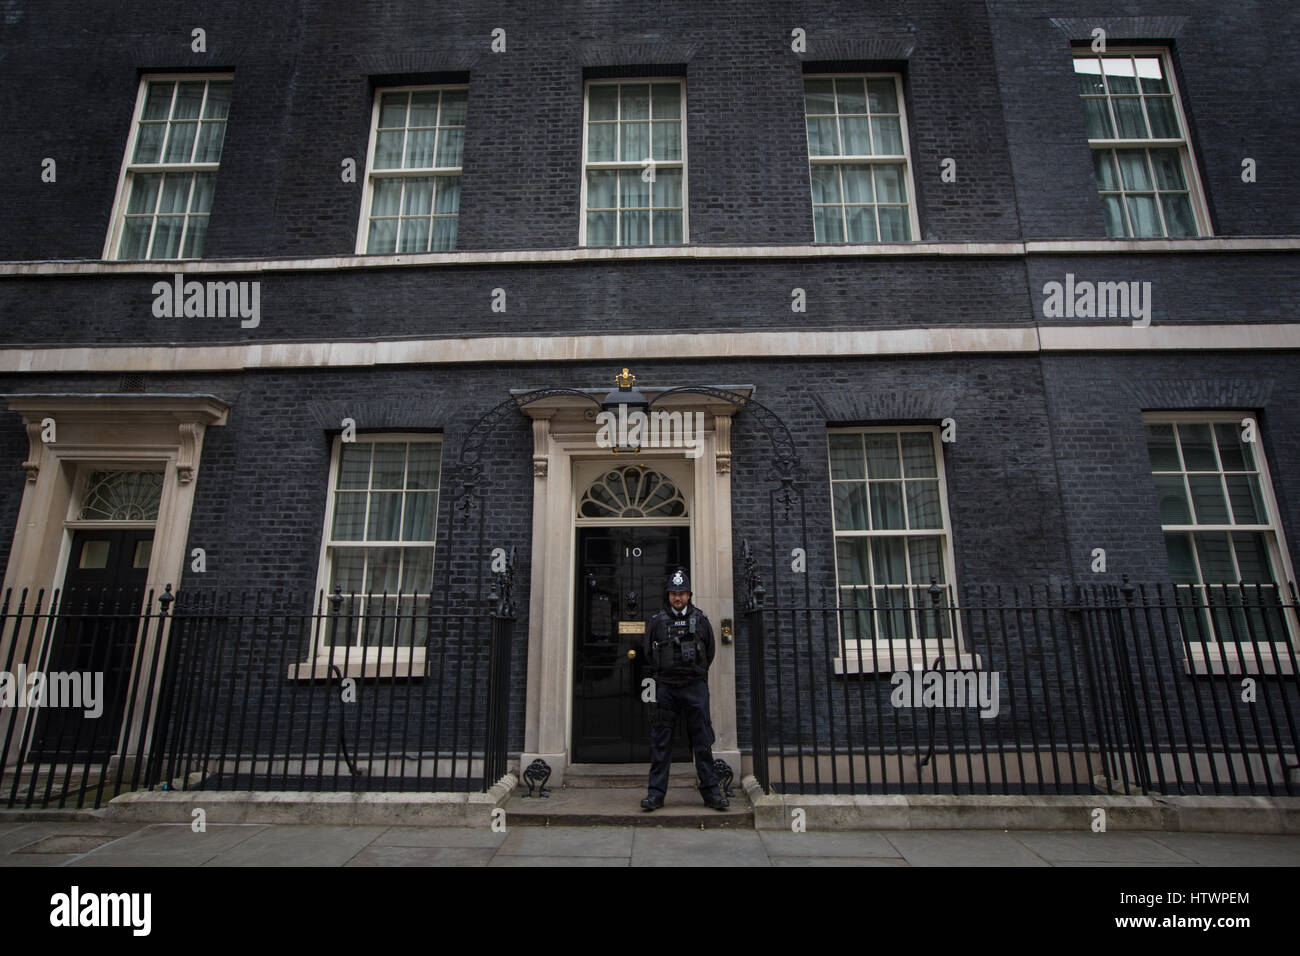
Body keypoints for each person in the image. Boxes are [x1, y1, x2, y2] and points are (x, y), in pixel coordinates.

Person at [640, 569, 729, 811]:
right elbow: (648, 652)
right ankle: (656, 795)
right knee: (661, 743)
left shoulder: (701, 620)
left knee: (702, 742)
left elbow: (709, 651)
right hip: (666, 688)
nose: (677, 597)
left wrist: (695, 674)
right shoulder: (657, 621)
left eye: (681, 593)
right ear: (668, 595)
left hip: (694, 687)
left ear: (689, 594)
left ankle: (711, 793)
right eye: (673, 593)